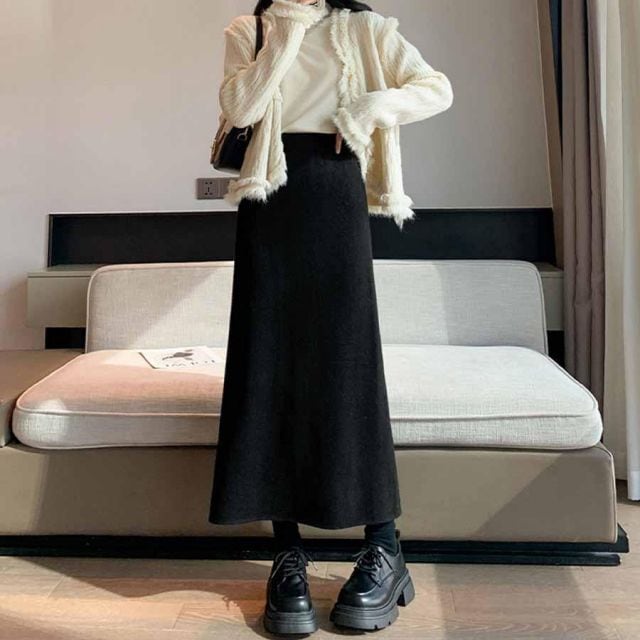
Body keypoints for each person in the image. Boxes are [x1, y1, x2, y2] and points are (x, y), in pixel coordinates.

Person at [208, 0, 454, 633]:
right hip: (269, 199)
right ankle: (287, 552)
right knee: (271, 366)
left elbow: (436, 87)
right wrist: (287, 28)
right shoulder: (250, 30)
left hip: (337, 187)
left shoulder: (366, 28)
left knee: (348, 364)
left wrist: (372, 108)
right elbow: (241, 110)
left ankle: (384, 546)